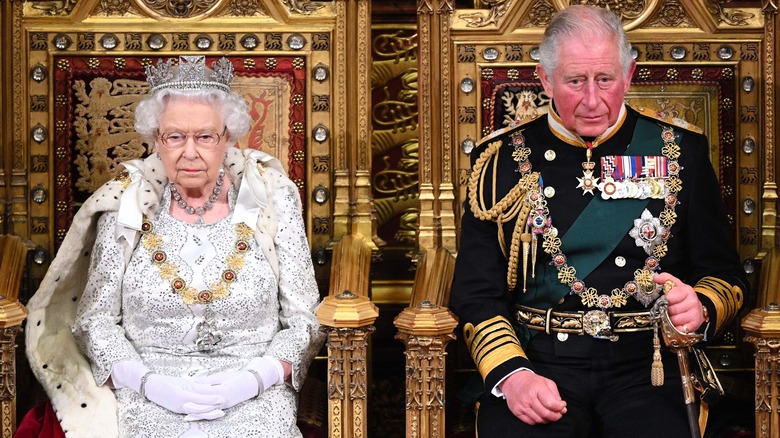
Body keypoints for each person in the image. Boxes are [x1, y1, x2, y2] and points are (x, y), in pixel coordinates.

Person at [450, 5, 748, 437]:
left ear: (628, 75)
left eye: (606, 79)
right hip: (540, 361)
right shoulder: (497, 162)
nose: (592, 100)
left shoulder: (680, 152)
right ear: (545, 78)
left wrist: (699, 306)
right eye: (574, 81)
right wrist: (512, 375)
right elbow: (476, 292)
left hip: (648, 368)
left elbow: (726, 276)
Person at [25, 55, 323, 437]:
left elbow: (304, 319)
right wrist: (150, 384)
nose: (190, 152)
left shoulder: (272, 201)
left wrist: (253, 380)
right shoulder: (126, 205)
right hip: (148, 392)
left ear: (228, 138)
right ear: (155, 141)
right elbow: (94, 320)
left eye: (205, 136)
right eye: (175, 137)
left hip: (254, 394)